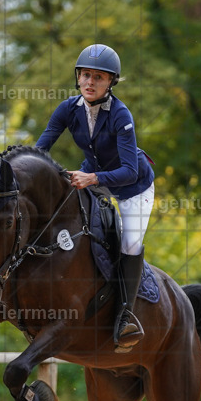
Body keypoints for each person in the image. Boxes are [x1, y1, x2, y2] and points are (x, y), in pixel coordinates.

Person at [35, 44, 156, 352]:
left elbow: (129, 170)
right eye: (85, 75)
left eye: (98, 78)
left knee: (130, 243)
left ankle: (125, 316)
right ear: (78, 78)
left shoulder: (121, 114)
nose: (90, 82)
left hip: (133, 187)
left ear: (110, 82)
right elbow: (41, 149)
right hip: (94, 177)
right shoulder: (67, 109)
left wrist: (93, 179)